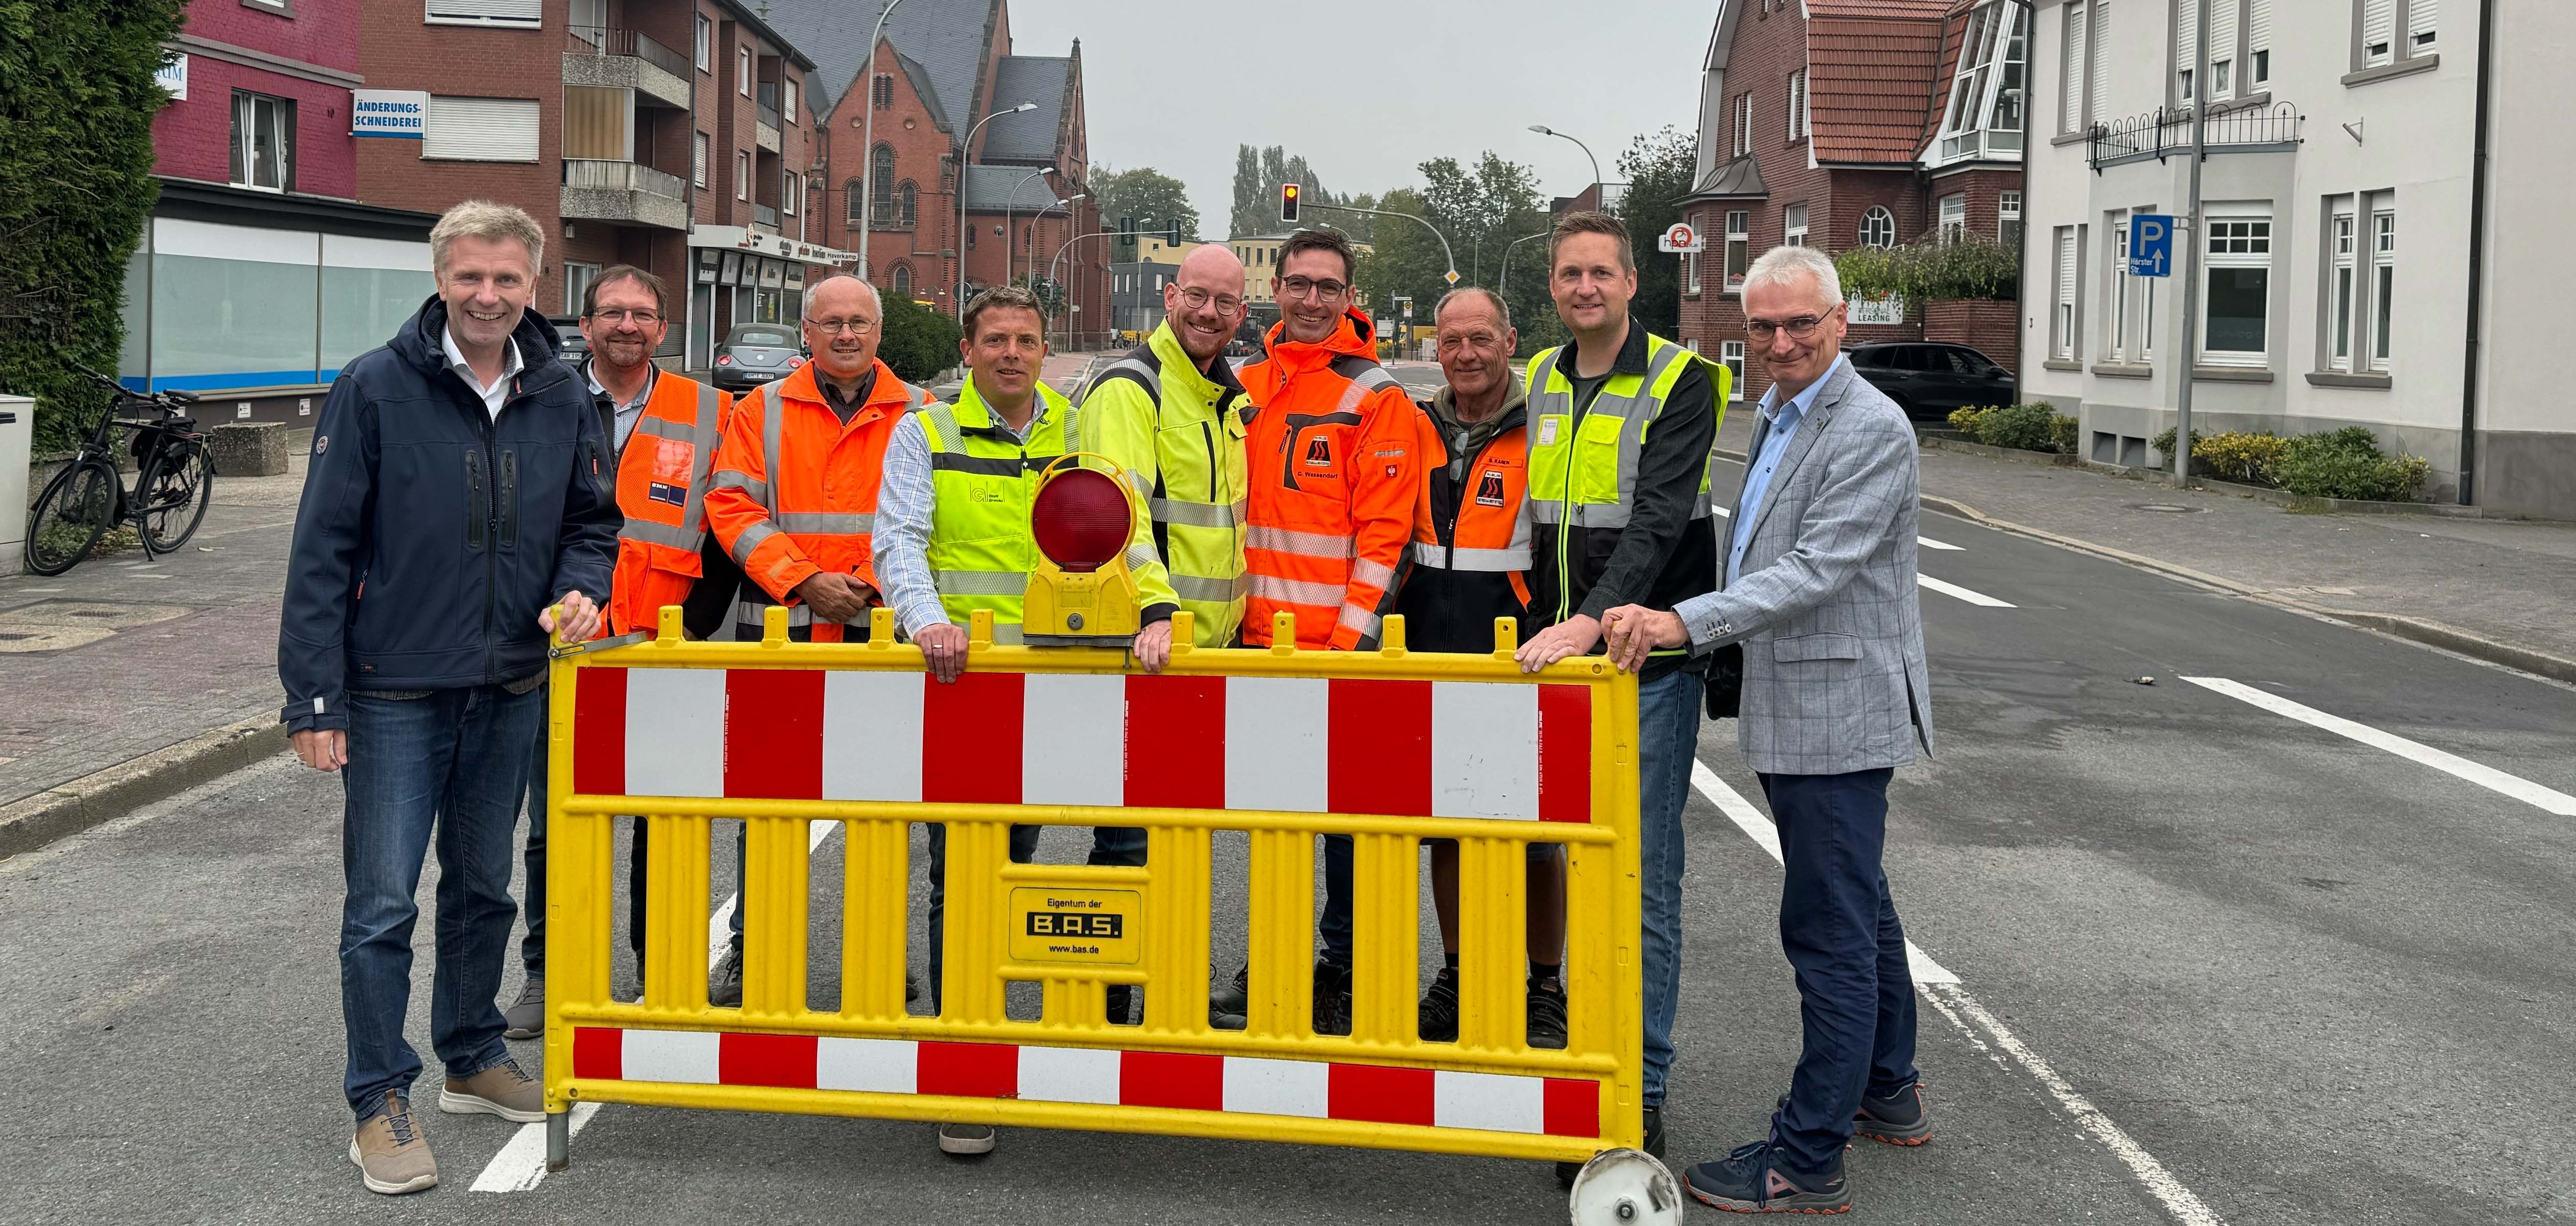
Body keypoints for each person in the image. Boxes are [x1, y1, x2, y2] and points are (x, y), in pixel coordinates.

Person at [279, 199, 617, 1196]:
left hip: (509, 683)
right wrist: (315, 700)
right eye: (470, 277)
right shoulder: (375, 388)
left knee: (485, 889)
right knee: (383, 905)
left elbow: (594, 522)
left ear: (534, 285)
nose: (487, 295)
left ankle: (471, 1057)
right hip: (392, 693)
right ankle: (379, 1099)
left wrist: (582, 589)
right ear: (441, 278)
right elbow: (321, 553)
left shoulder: (561, 393)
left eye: (507, 279)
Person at [1602, 243, 1934, 1215]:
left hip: (1838, 714)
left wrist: (1682, 620)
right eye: (1764, 326)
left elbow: (1819, 569)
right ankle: (1888, 1086)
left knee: (1827, 929)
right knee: (1862, 906)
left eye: (1802, 324)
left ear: (1843, 324)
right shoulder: (1783, 414)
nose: (1783, 342)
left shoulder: (1868, 425)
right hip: (1808, 706)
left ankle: (1808, 1152)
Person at [875, 285, 1167, 1158]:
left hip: (1084, 676)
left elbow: (1131, 530)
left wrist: (1155, 611)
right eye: (995, 339)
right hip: (976, 686)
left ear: (1047, 351)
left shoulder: (1079, 437)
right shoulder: (924, 432)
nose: (1011, 353)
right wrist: (926, 619)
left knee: (1122, 851)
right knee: (974, 867)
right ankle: (969, 1056)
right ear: (968, 351)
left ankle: (1112, 1040)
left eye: (1026, 340)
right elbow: (900, 538)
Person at [1509, 210, 1726, 1172]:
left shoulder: (1685, 380)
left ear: (1634, 282)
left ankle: (1637, 1093)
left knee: (1640, 882)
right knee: (1556, 861)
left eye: (1601, 272)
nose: (1584, 288)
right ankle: (1579, 1068)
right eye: (1568, 274)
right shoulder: (1547, 378)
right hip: (1558, 664)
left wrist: (1588, 622)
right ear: (1552, 287)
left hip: (1641, 668)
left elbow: (1655, 523)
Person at [499, 266, 743, 1040]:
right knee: (552, 825)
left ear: (664, 329)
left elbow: (727, 528)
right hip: (561, 650)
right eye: (613, 312)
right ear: (586, 322)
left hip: (663, 650)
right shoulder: (540, 398)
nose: (628, 326)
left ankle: (663, 970)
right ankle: (551, 973)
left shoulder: (710, 410)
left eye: (643, 314)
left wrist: (695, 630)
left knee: (660, 818)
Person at [700, 274, 931, 1006]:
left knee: (882, 802)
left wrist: (860, 579)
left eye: (859, 322)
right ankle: (756, 947)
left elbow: (933, 517)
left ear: (879, 332)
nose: (845, 335)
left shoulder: (923, 412)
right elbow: (730, 504)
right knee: (769, 800)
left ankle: (879, 955)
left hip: (879, 624)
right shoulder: (760, 410)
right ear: (806, 332)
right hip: (781, 624)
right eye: (830, 322)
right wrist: (804, 580)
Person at [1222, 227, 1423, 1035]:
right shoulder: (1245, 385)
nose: (1309, 299)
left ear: (1349, 298)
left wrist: (1347, 647)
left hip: (1334, 652)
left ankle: (1340, 968)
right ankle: (1273, 958)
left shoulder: (1374, 395)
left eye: (1326, 287)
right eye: (1298, 283)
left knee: (1341, 824)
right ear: (1278, 289)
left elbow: (1387, 538)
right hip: (1250, 645)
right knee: (1270, 815)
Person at [1066, 243, 1254, 1013]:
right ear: (1170, 297)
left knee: (1185, 829)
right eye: (1198, 297)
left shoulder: (1224, 397)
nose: (1210, 313)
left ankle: (1165, 981)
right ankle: (1114, 1005)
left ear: (1243, 314)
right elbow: (1120, 516)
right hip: (1150, 647)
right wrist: (1157, 609)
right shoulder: (1132, 387)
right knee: (1133, 835)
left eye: (1227, 304)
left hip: (1208, 653)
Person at [1397, 287, 1567, 1051]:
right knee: (1448, 832)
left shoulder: (1546, 430)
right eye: (1451, 340)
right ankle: (1460, 974)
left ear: (1511, 340)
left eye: (1481, 339)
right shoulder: (1415, 425)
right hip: (1430, 652)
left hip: (1522, 658)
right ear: (1436, 347)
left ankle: (1544, 985)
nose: (1466, 354)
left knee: (1537, 836)